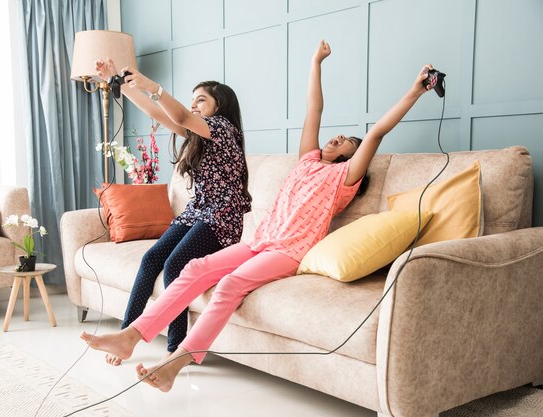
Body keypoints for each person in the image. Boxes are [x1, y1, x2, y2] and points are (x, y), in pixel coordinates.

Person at [82, 40, 434, 391]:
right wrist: (316, 63)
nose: (339, 138)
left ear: (351, 159)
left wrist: (414, 92)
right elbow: (314, 110)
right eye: (340, 137)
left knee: (231, 285)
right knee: (194, 269)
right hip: (260, 240)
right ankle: (132, 335)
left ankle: (178, 361)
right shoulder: (308, 160)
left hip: (289, 251)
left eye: (348, 143)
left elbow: (377, 133)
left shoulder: (344, 178)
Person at [93, 59, 252, 365]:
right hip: (199, 210)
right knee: (151, 258)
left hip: (221, 216)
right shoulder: (200, 131)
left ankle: (174, 349)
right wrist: (120, 83)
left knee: (175, 264)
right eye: (192, 100)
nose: (193, 105)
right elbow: (157, 112)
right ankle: (126, 335)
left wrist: (152, 86)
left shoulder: (222, 128)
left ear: (221, 105)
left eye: (201, 100)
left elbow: (175, 111)